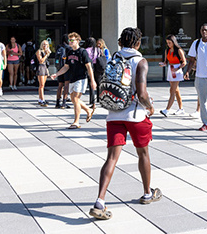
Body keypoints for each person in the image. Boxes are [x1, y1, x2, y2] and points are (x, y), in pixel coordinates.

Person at [89, 27, 161, 221]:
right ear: (138, 43)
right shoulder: (141, 61)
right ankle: (147, 193)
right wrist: (150, 108)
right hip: (136, 116)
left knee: (111, 158)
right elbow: (142, 94)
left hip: (114, 114)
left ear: (121, 41)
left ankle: (100, 201)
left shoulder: (114, 57)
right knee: (143, 153)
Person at [51, 32, 96, 129]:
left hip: (81, 78)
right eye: (69, 40)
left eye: (72, 40)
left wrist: (92, 80)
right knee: (73, 99)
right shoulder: (69, 52)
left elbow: (89, 67)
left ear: (78, 41)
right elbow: (66, 66)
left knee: (75, 99)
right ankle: (88, 110)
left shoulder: (83, 52)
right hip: (72, 78)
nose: (70, 42)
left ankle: (76, 122)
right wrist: (57, 74)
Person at [159, 34, 187, 117]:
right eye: (167, 43)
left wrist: (177, 68)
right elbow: (166, 62)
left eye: (170, 43)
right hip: (170, 69)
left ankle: (167, 110)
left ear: (174, 42)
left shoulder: (179, 50)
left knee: (172, 91)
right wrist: (163, 64)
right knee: (176, 90)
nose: (168, 44)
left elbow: (184, 62)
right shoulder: (167, 51)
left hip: (177, 71)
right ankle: (181, 109)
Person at [85, 37, 103, 108]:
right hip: (98, 66)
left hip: (90, 66)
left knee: (91, 83)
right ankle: (99, 98)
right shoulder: (98, 49)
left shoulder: (86, 50)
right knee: (98, 83)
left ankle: (92, 100)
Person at [54, 35, 71, 109]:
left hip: (59, 68)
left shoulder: (59, 47)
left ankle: (57, 102)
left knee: (60, 85)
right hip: (66, 68)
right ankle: (64, 102)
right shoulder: (68, 48)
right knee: (66, 85)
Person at [35, 40, 51, 107]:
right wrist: (46, 55)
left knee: (43, 85)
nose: (45, 46)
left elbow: (46, 62)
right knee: (41, 85)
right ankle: (42, 99)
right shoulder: (39, 51)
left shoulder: (46, 52)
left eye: (46, 44)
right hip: (41, 67)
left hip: (45, 67)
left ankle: (40, 99)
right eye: (44, 44)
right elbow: (41, 61)